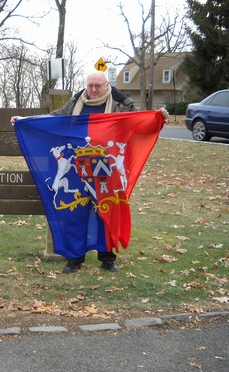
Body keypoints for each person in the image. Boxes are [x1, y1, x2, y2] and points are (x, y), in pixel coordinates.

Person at [11, 71, 169, 274]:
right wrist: (26, 120)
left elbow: (137, 125)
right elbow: (53, 119)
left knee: (107, 210)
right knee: (75, 212)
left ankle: (107, 258)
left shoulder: (122, 104)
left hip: (106, 168)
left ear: (106, 86)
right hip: (78, 168)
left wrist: (159, 119)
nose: (93, 90)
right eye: (90, 86)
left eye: (98, 86)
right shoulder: (75, 102)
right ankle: (74, 258)